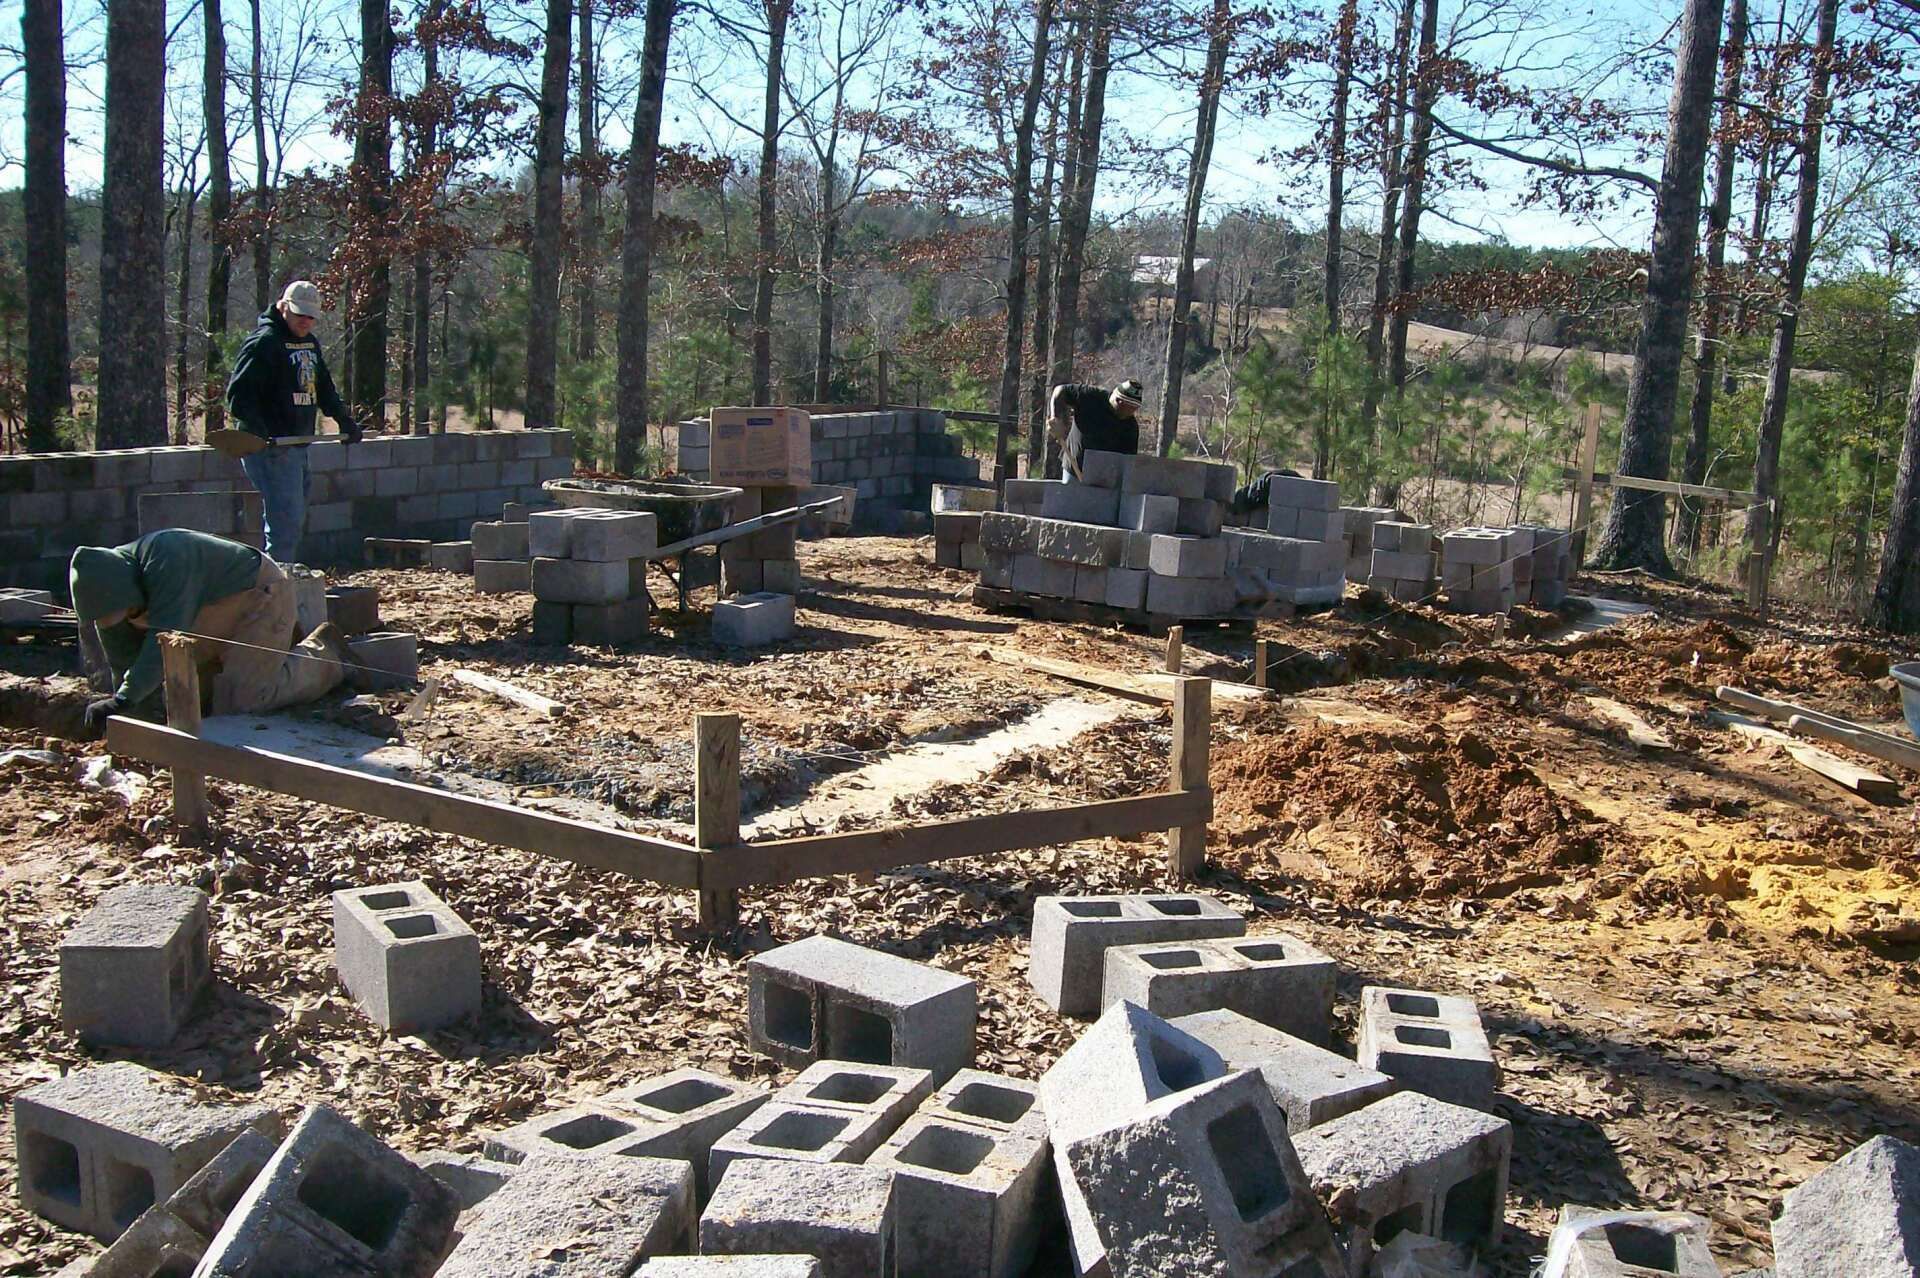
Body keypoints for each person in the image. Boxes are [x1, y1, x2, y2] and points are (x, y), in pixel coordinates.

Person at [69, 529, 352, 737]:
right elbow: (123, 662)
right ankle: (260, 658)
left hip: (259, 600)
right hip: (209, 619)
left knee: (245, 700)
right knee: (199, 703)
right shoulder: (110, 595)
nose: (110, 623)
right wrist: (126, 717)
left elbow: (165, 636)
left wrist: (122, 699)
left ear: (124, 592)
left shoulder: (167, 557)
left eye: (116, 615)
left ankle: (327, 656)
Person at [225, 280, 363, 565]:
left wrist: (342, 418)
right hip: (271, 449)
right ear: (284, 306)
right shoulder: (264, 342)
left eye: (311, 317)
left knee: (292, 518)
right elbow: (238, 395)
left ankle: (277, 581)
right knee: (285, 524)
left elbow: (322, 386)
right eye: (300, 315)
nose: (306, 322)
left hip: (297, 445)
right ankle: (277, 588)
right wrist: (256, 426)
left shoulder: (309, 344)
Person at [1047, 378, 1144, 480]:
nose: (1132, 413)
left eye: (1135, 409)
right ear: (1119, 401)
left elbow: (1128, 462)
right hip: (1074, 467)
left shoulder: (1130, 427)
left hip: (1104, 478)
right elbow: (1060, 390)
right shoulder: (1090, 396)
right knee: (1070, 495)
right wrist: (1055, 418)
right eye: (1130, 408)